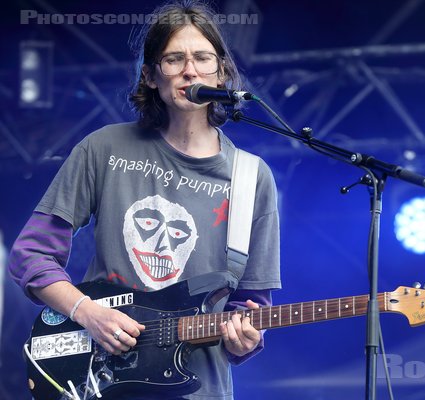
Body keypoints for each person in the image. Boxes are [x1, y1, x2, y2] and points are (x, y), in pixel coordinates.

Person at [8, 1, 281, 399]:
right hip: (99, 381)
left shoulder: (252, 177)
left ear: (221, 72)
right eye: (174, 59)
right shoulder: (104, 148)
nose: (190, 70)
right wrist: (88, 312)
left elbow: (251, 304)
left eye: (203, 58)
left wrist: (247, 340)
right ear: (151, 75)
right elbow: (29, 254)